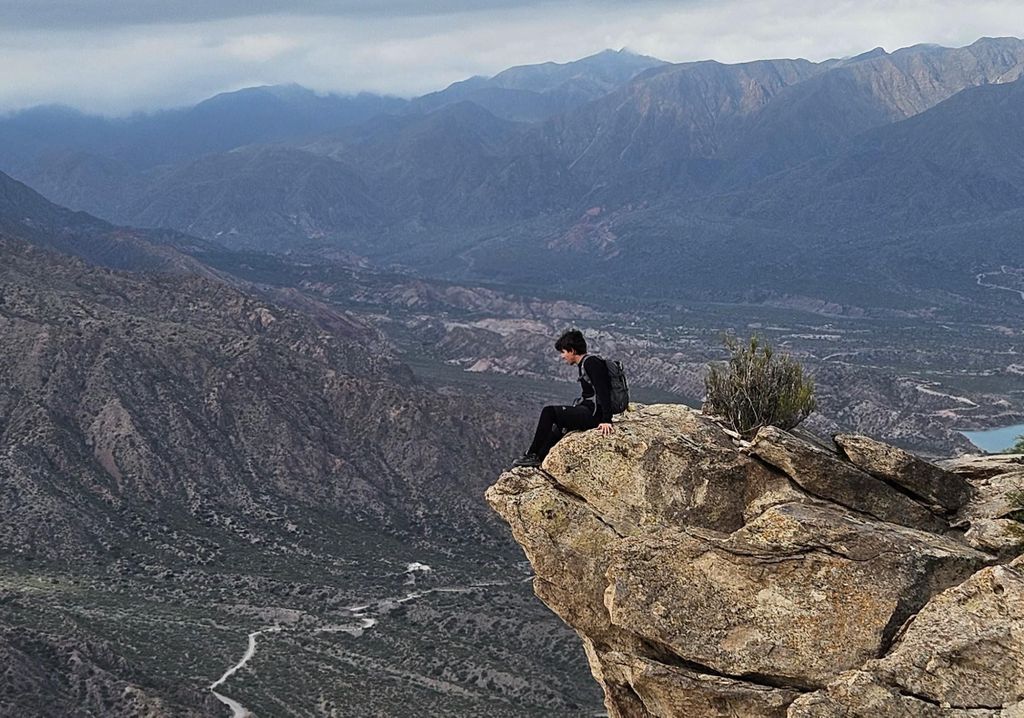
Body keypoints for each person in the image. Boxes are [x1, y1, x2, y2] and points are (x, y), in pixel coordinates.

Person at [512, 329, 614, 468]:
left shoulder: (591, 363)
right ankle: (540, 459)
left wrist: (606, 420)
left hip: (594, 415)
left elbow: (603, 391)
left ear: (572, 351)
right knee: (560, 424)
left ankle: (532, 454)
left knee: (549, 412)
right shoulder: (585, 363)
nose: (562, 356)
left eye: (563, 352)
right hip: (589, 410)